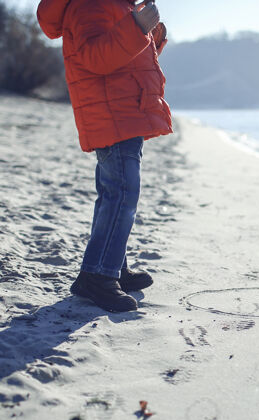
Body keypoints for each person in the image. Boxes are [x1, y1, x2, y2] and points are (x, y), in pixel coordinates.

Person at [37, 0, 173, 312]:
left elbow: (127, 61)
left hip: (122, 111)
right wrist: (137, 28)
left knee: (113, 194)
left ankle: (113, 267)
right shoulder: (90, 4)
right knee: (122, 194)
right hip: (113, 114)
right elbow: (96, 58)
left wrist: (149, 33)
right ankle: (97, 276)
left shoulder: (114, 5)